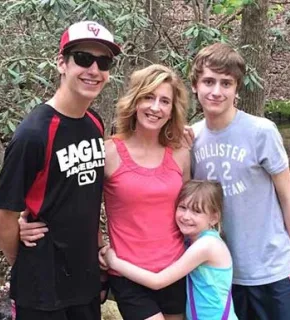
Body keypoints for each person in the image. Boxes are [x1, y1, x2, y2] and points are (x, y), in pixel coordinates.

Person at [20, 64, 191, 320]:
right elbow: (74, 197)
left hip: (176, 269)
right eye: (148, 97)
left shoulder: (181, 153)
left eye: (164, 101)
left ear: (171, 110)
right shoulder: (108, 152)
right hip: (128, 272)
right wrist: (23, 219)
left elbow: (190, 208)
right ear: (134, 102)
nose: (155, 107)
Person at [0, 20, 121, 320]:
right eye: (84, 59)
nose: (94, 70)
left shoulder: (94, 123)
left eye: (104, 62)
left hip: (85, 280)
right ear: (61, 62)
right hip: (42, 290)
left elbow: (83, 197)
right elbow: (1, 215)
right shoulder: (33, 133)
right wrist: (24, 262)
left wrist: (99, 247)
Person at [186, 43, 290, 320]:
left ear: (237, 89)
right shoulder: (192, 139)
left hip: (273, 270)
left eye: (226, 83)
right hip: (222, 273)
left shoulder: (261, 131)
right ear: (195, 85)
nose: (216, 91)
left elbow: (287, 197)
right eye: (208, 81)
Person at [102, 180, 238, 320]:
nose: (186, 216)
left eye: (196, 211)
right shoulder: (193, 241)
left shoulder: (207, 245)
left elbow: (157, 281)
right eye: (183, 207)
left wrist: (114, 262)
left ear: (214, 217)